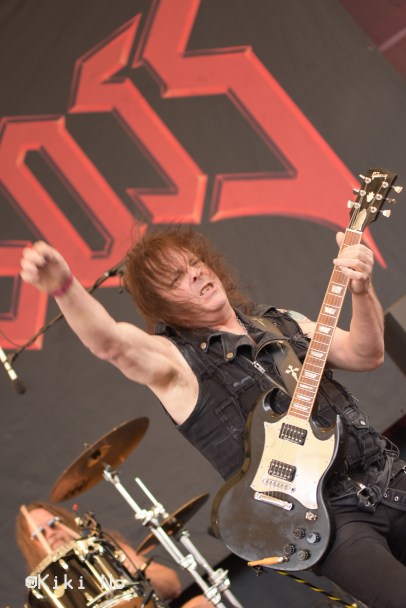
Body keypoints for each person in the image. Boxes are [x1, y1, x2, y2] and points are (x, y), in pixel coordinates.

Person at [20, 226, 406, 608]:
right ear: (163, 305)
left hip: (388, 475)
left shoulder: (280, 322)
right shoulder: (177, 365)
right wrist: (64, 287)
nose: (196, 273)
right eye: (177, 278)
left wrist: (362, 289)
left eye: (195, 263)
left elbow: (365, 354)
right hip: (333, 520)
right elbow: (111, 343)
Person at [17, 501, 212, 608]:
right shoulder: (44, 592)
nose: (50, 533)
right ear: (31, 546)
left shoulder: (104, 547)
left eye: (53, 524)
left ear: (65, 522)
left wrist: (135, 566)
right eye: (39, 533)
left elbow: (173, 586)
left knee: (202, 604)